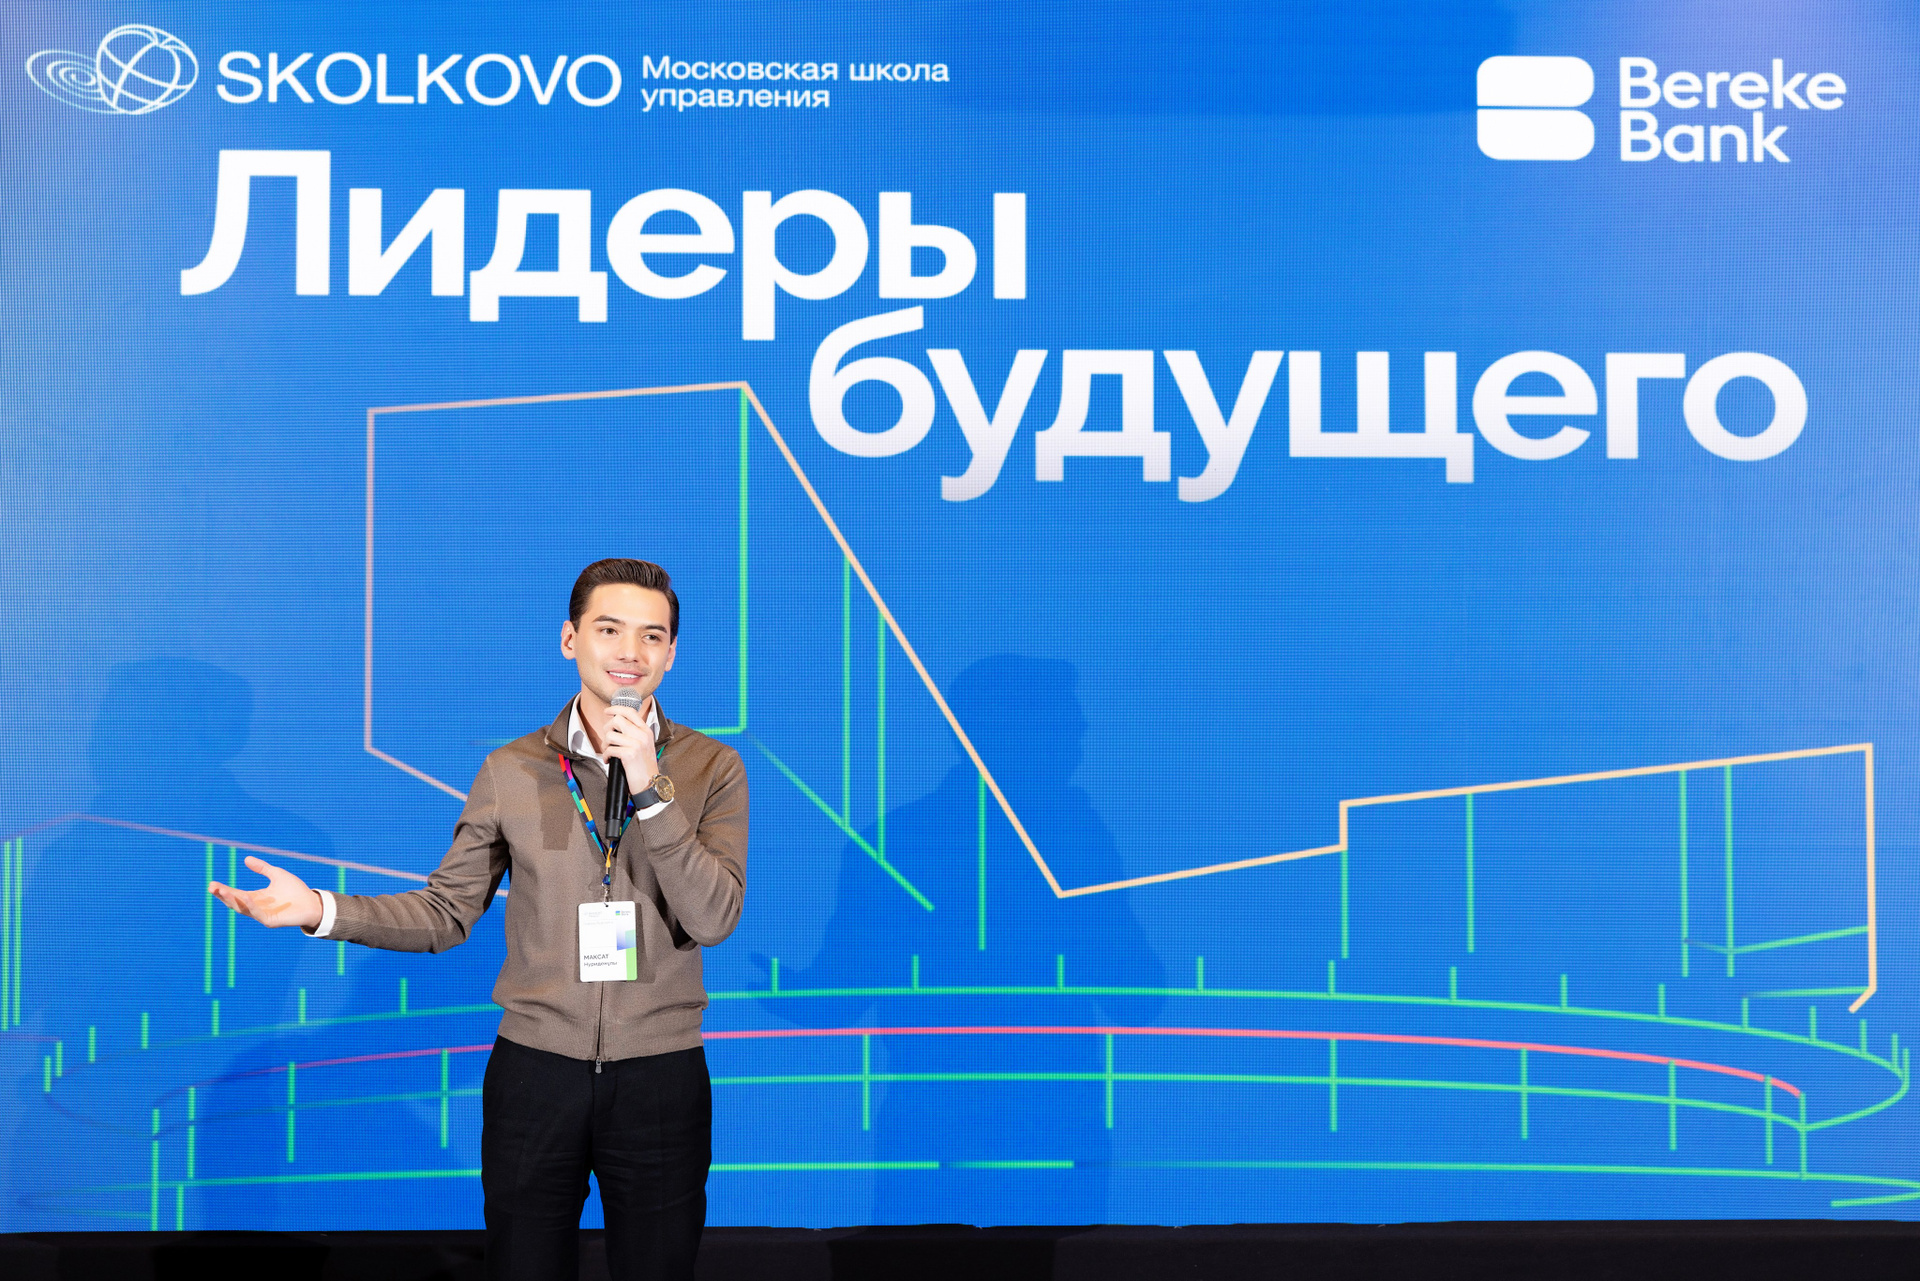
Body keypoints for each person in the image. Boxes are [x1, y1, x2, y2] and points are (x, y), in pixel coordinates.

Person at [210, 558, 748, 1281]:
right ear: (570, 639)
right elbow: (445, 911)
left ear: (672, 652)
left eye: (651, 635)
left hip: (661, 1076)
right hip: (535, 1075)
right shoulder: (512, 769)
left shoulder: (712, 768)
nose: (630, 651)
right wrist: (322, 910)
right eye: (609, 629)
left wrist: (652, 789)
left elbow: (713, 917)